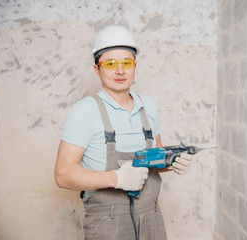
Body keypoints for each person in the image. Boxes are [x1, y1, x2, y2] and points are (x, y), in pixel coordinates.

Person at [54, 24, 194, 240]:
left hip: (152, 219)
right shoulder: (84, 111)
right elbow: (63, 175)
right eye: (111, 63)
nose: (120, 70)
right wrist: (116, 178)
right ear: (97, 69)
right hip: (107, 223)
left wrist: (172, 162)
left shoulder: (149, 106)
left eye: (126, 63)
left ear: (134, 66)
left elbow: (155, 159)